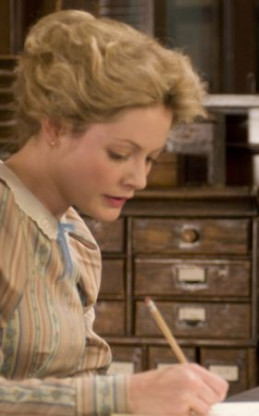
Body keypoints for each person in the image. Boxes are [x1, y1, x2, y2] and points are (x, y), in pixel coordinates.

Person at [0, 10, 228, 416]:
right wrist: (125, 395)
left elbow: (81, 385)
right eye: (120, 154)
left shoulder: (76, 238)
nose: (139, 179)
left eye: (151, 158)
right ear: (54, 127)